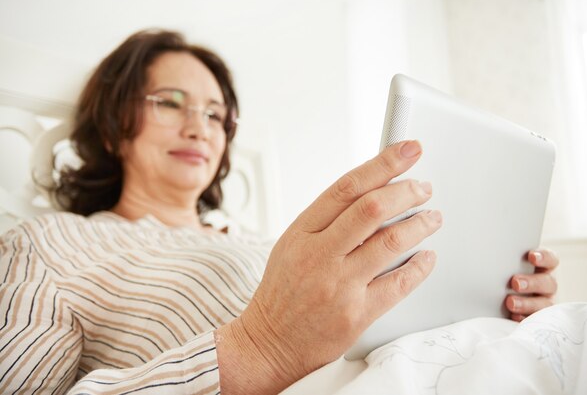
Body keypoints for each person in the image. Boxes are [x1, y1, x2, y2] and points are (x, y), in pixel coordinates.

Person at [0, 29, 559, 395]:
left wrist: (493, 305)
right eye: (170, 103)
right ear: (113, 124)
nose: (200, 125)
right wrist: (261, 346)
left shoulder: (265, 244)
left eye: (217, 115)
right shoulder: (49, 242)